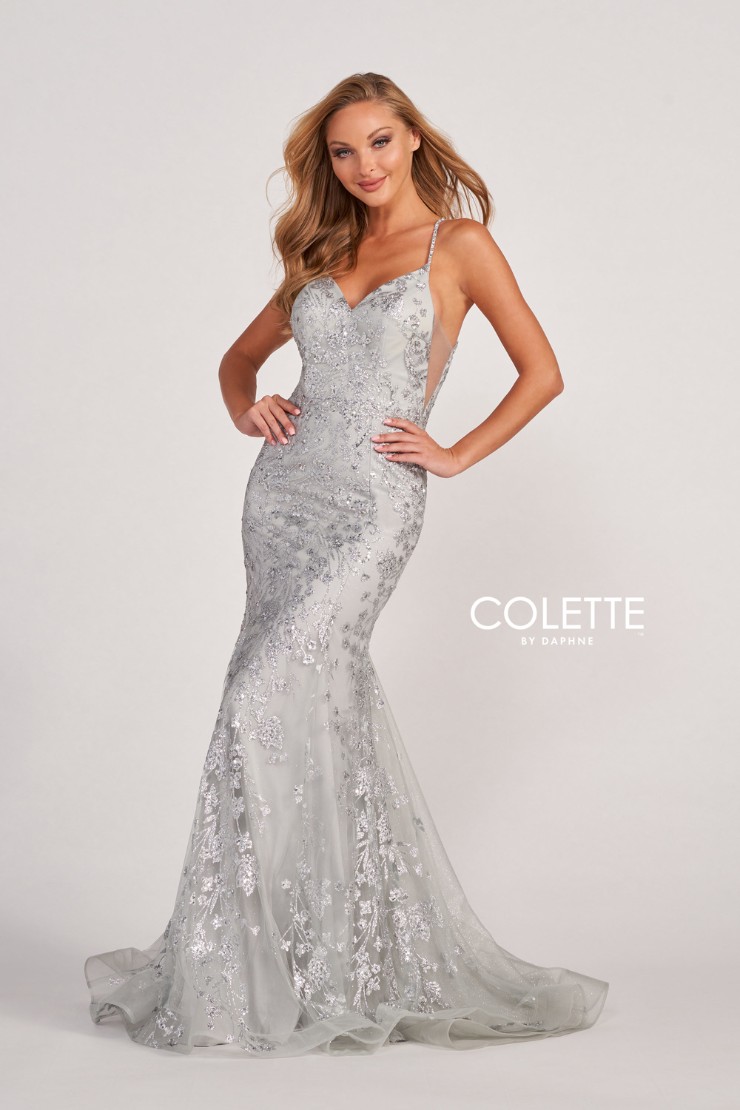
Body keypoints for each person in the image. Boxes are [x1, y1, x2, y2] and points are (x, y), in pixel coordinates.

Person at [84, 71, 609, 1057]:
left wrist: (453, 453)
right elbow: (237, 362)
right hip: (282, 501)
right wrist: (246, 406)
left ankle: (315, 959)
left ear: (412, 140)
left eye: (378, 141)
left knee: (263, 696)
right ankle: (293, 959)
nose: (362, 163)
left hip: (371, 504)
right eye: (341, 150)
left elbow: (542, 372)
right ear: (325, 163)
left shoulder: (458, 246)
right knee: (304, 704)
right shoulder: (319, 252)